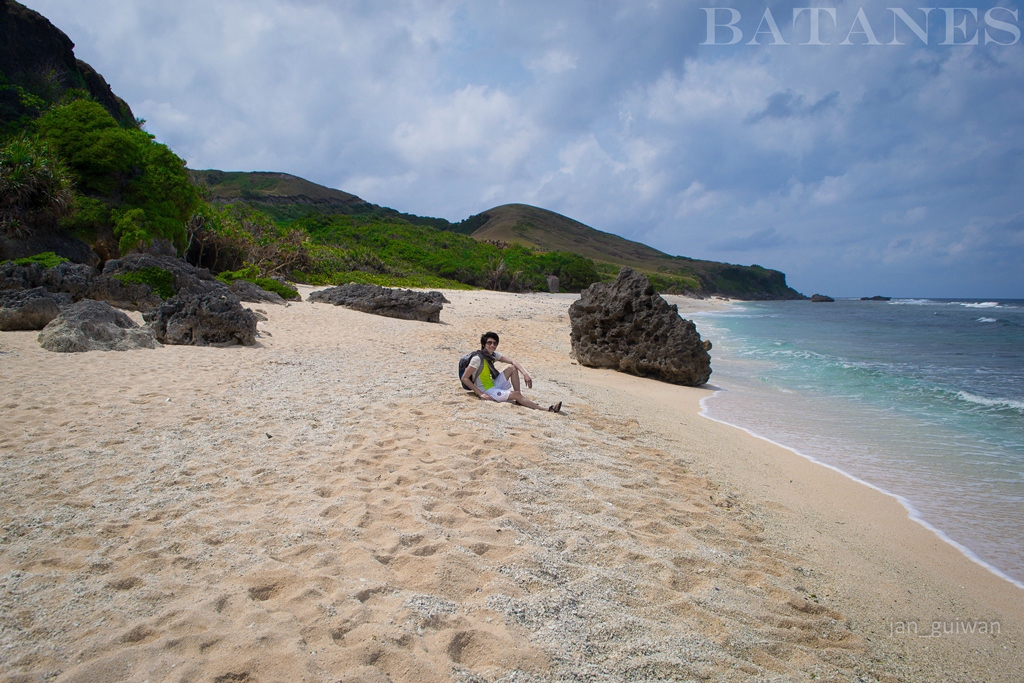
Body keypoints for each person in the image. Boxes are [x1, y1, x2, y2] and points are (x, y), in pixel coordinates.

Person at [462, 331, 561, 412]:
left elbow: (513, 362)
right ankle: (547, 409)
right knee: (516, 395)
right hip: (485, 390)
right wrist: (480, 393)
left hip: (492, 385)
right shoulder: (477, 359)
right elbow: (465, 378)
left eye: (495, 343)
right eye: (489, 343)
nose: (492, 345)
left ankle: (519, 399)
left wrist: (525, 374)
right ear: (483, 344)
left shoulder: (492, 355)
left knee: (512, 368)